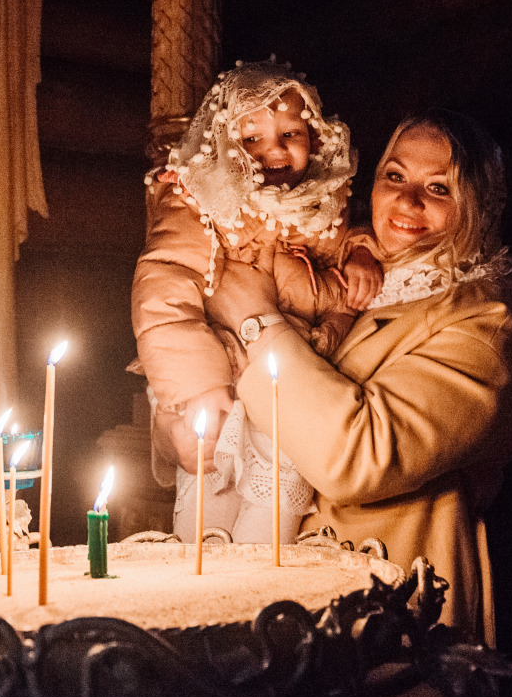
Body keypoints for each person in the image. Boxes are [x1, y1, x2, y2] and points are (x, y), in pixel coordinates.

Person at [204, 108, 512, 642]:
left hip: (391, 605)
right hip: (293, 593)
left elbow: (359, 457)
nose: (407, 201)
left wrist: (256, 324)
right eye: (395, 176)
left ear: (479, 205)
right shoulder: (359, 279)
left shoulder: (483, 321)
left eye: (439, 188)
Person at [131, 61, 382, 543]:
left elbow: (347, 245)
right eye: (252, 139)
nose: (275, 150)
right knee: (206, 523)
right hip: (216, 379)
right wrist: (195, 388)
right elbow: (163, 286)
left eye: (291, 133)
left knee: (271, 530)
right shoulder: (198, 199)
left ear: (314, 136)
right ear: (224, 142)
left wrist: (363, 253)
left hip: (289, 382)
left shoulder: (324, 202)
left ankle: (261, 613)